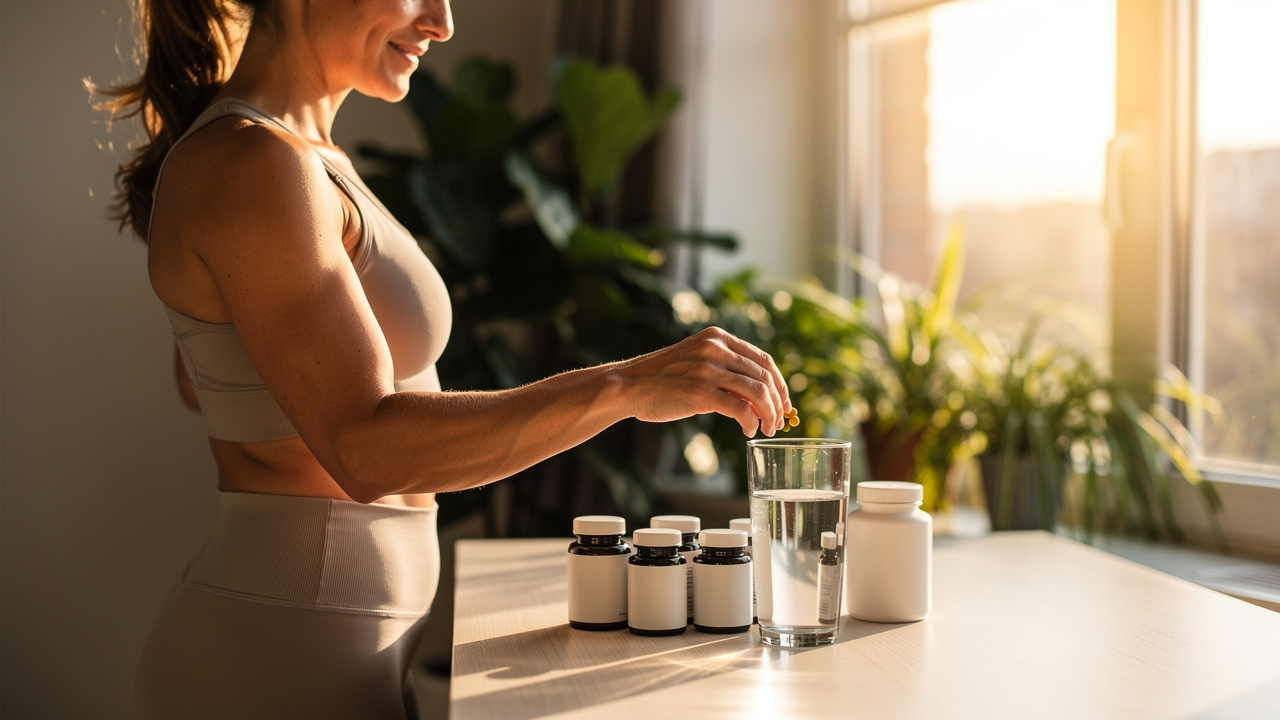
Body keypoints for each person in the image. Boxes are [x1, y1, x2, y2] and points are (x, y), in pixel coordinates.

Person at [95, 1, 790, 717]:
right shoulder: (254, 161)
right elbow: (364, 450)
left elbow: (203, 381)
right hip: (273, 661)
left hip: (326, 643)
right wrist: (624, 384)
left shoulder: (302, 161)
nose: (442, 22)